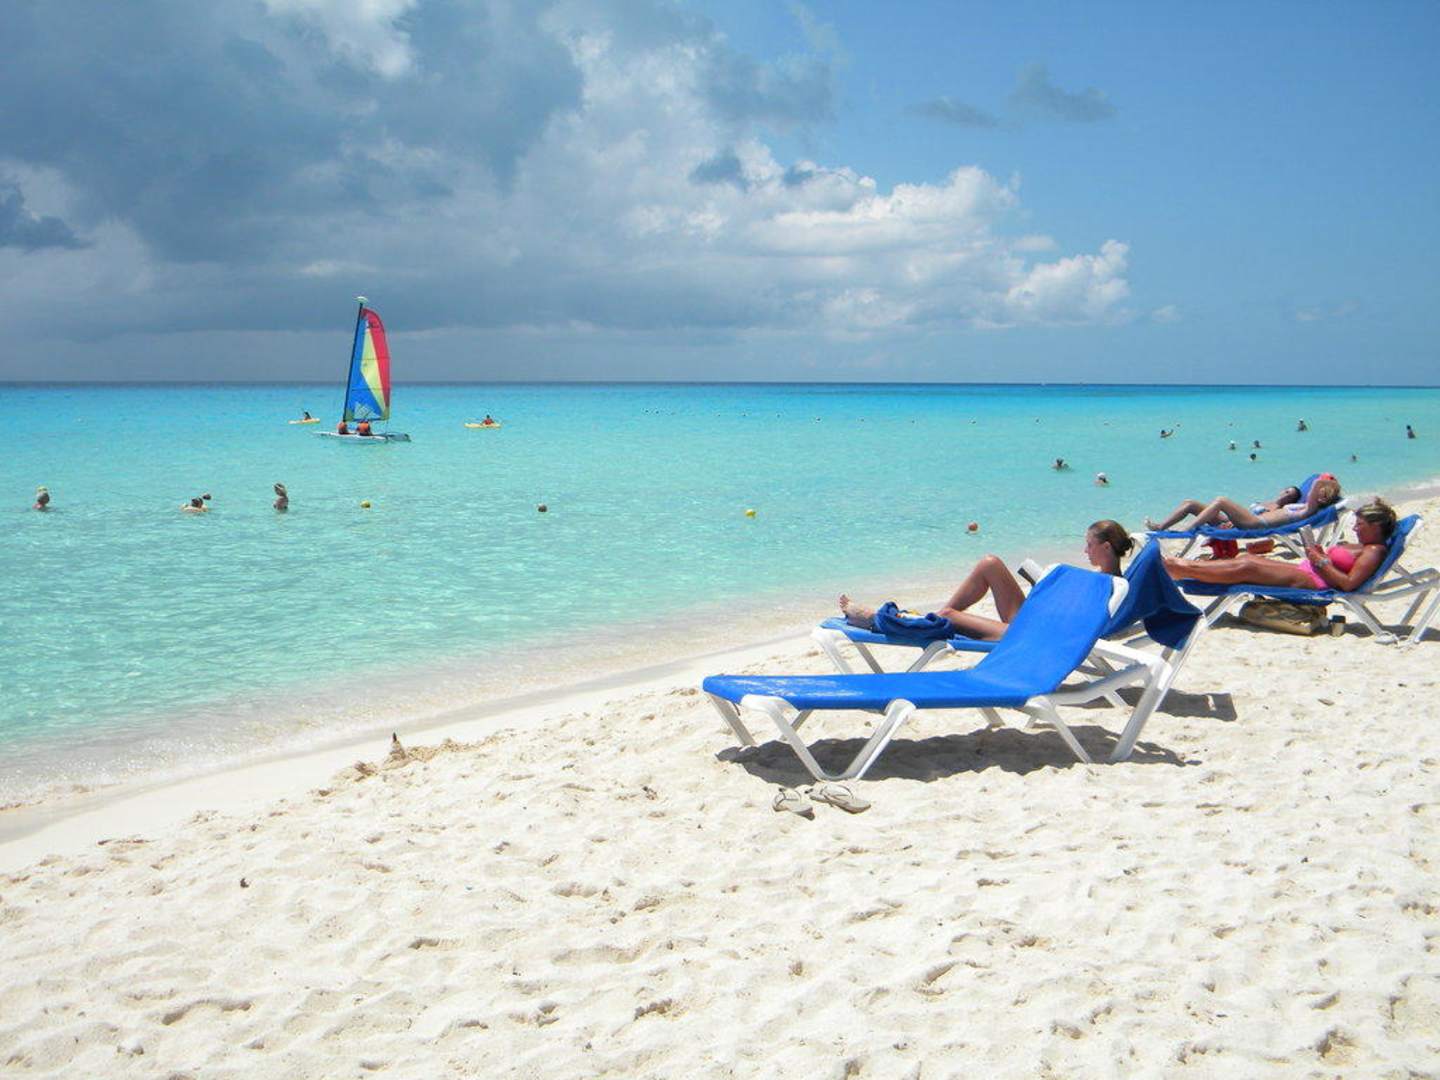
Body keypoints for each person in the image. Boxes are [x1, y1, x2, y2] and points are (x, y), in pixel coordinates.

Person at [839, 520, 1133, 642]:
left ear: (1106, 547)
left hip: (1036, 636)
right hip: (1034, 621)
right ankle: (930, 620)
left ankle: (878, 620)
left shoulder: (1108, 588)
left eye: (1089, 545)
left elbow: (1074, 627)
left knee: (949, 615)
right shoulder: (1102, 581)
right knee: (990, 563)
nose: (1085, 551)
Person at [1164, 500, 1396, 593]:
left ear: (1376, 526)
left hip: (1317, 581)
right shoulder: (1365, 545)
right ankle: (1183, 568)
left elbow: (1348, 584)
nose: (1355, 528)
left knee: (1247, 568)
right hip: (1310, 570)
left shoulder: (1374, 551)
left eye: (1360, 525)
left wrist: (1321, 560)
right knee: (1248, 561)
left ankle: (1180, 568)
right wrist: (1317, 554)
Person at [1145, 476, 1341, 532]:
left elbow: (1315, 485)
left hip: (1255, 524)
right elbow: (1314, 489)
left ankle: (1189, 529)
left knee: (1221, 500)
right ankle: (1161, 526)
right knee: (1191, 503)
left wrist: (1326, 483)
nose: (1318, 496)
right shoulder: (1303, 506)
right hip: (1247, 520)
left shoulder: (1309, 511)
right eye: (1319, 494)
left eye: (1323, 496)